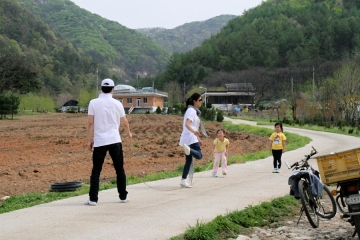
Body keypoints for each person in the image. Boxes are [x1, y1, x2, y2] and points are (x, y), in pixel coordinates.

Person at [86, 78, 132, 206]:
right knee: (119, 169)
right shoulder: (117, 104)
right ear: (113, 89)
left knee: (96, 170)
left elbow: (90, 123)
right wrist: (128, 133)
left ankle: (93, 199)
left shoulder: (93, 103)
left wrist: (89, 141)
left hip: (100, 141)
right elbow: (124, 122)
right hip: (114, 140)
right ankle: (123, 196)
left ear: (101, 88)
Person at [179, 93, 203, 188]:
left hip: (189, 137)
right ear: (195, 101)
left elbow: (192, 125)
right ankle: (189, 149)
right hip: (190, 137)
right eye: (200, 100)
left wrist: (199, 138)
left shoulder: (192, 110)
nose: (201, 102)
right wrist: (195, 132)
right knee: (199, 155)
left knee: (188, 161)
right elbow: (187, 124)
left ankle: (183, 180)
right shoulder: (191, 111)